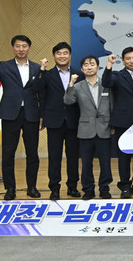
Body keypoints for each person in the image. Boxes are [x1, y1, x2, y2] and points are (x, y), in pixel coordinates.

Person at [0, 36, 42, 200]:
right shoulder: (4, 66)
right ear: (13, 48)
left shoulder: (37, 68)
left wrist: (42, 114)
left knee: (32, 154)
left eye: (24, 46)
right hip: (10, 114)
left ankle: (32, 187)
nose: (21, 49)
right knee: (8, 153)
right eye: (18, 46)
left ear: (29, 48)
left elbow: (41, 92)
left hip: (31, 114)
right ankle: (10, 189)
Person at [36, 42, 84, 200]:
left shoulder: (79, 74)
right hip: (53, 120)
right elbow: (40, 95)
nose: (62, 56)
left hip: (73, 121)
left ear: (70, 55)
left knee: (73, 156)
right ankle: (54, 188)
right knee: (54, 157)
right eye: (58, 53)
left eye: (65, 53)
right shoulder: (47, 74)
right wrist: (42, 117)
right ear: (54, 56)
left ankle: (72, 186)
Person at [102, 48, 133, 199]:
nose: (131, 61)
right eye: (128, 58)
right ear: (123, 61)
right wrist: (109, 64)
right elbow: (106, 82)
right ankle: (124, 185)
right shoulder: (117, 75)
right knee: (124, 156)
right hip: (122, 121)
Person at [63, 55, 113, 201]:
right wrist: (71, 84)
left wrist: (112, 124)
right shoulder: (78, 86)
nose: (89, 67)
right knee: (86, 163)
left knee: (105, 162)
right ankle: (88, 189)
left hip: (104, 127)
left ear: (98, 67)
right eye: (86, 65)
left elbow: (112, 105)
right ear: (82, 69)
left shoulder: (107, 84)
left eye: (92, 64)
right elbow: (68, 101)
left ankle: (104, 188)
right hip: (85, 129)